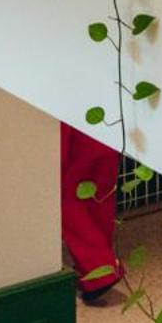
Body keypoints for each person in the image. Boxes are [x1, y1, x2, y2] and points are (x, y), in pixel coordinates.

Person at [60, 124, 122, 307]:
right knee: (100, 199)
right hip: (107, 129)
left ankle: (98, 269)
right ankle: (102, 266)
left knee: (66, 200)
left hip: (76, 138)